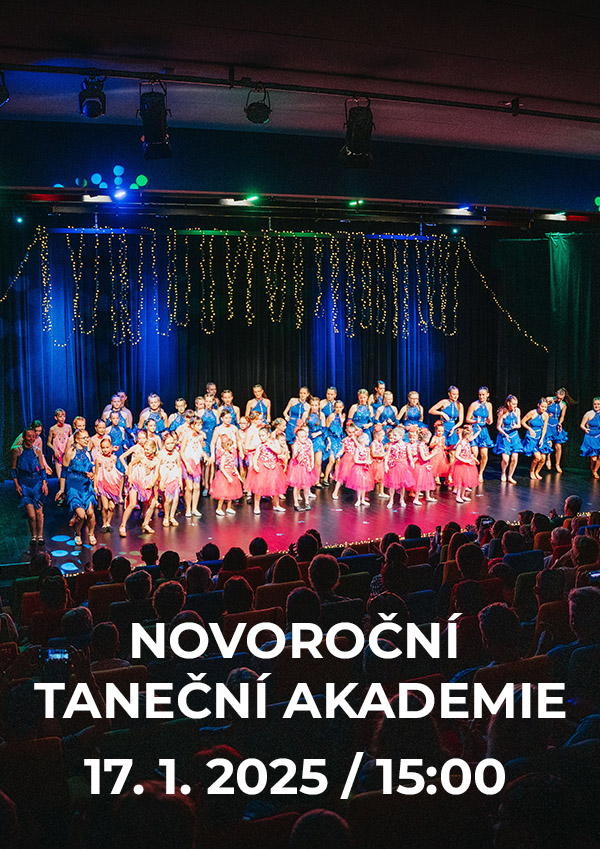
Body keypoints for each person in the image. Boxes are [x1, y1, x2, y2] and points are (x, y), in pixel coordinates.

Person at [57, 429, 96, 546]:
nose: (87, 440)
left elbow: (91, 469)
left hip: (86, 486)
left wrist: (92, 475)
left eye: (87, 437)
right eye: (84, 438)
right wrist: (62, 489)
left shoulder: (87, 453)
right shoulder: (70, 452)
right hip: (73, 486)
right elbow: (64, 472)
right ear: (77, 440)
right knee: (81, 515)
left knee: (90, 512)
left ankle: (91, 534)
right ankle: (78, 533)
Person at [11, 427, 48, 545]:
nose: (31, 439)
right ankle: (33, 536)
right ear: (24, 437)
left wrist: (44, 483)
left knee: (39, 513)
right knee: (31, 515)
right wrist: (17, 485)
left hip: (37, 483)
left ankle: (40, 536)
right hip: (25, 484)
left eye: (33, 436)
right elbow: (13, 469)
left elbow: (42, 469)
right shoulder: (18, 451)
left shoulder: (37, 451)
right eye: (29, 436)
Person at [245, 425, 286, 514]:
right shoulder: (260, 445)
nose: (261, 437)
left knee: (275, 486)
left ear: (268, 435)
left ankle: (276, 505)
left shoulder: (274, 442)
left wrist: (270, 446)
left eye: (263, 435)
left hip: (273, 467)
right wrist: (255, 465)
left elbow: (279, 451)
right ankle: (256, 506)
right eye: (260, 436)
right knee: (259, 487)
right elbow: (256, 456)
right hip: (262, 467)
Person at [94, 436, 123, 532]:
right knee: (105, 507)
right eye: (103, 448)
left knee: (112, 506)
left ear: (110, 447)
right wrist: (95, 486)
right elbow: (96, 473)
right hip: (103, 484)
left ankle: (108, 523)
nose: (105, 450)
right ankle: (104, 523)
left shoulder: (114, 458)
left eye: (107, 447)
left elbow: (114, 471)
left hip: (112, 484)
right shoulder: (99, 459)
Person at [179, 416, 207, 518]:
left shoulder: (200, 436)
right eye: (197, 425)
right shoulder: (187, 436)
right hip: (188, 461)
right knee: (189, 487)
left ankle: (194, 508)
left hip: (196, 462)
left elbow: (199, 448)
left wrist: (204, 455)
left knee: (197, 487)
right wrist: (187, 464)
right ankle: (188, 508)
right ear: (192, 425)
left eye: (200, 425)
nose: (200, 427)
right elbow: (182, 451)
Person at [466, 386, 494, 481]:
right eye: (480, 395)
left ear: (487, 395)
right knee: (474, 453)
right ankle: (472, 472)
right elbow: (467, 419)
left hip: (484, 431)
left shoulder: (489, 405)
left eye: (483, 395)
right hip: (474, 430)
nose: (481, 397)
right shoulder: (474, 405)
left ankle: (480, 473)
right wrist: (475, 421)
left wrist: (489, 421)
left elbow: (490, 420)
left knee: (484, 454)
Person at [428, 385, 464, 462]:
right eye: (453, 394)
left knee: (452, 453)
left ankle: (451, 470)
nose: (455, 396)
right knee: (439, 452)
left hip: (452, 429)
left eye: (457, 394)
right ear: (449, 394)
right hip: (442, 429)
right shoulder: (444, 402)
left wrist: (454, 428)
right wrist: (442, 413)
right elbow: (431, 410)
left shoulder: (459, 405)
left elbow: (461, 421)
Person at [210, 436, 243, 515]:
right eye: (230, 446)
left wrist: (238, 475)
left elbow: (233, 465)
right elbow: (222, 468)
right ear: (225, 447)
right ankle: (219, 508)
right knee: (223, 493)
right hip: (224, 475)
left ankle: (229, 507)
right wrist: (227, 477)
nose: (232, 447)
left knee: (231, 492)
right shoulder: (224, 456)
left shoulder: (231, 455)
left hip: (232, 474)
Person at [494, 395, 523, 484]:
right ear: (508, 403)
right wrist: (505, 434)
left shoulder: (517, 411)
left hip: (514, 436)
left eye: (516, 404)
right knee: (506, 459)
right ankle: (503, 472)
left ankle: (510, 476)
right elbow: (498, 427)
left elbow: (519, 424)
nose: (515, 406)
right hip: (504, 436)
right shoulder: (502, 412)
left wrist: (515, 426)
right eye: (513, 404)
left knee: (514, 458)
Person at [546, 387, 574, 473]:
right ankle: (548, 459)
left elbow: (562, 417)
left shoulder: (563, 405)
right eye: (558, 398)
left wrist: (560, 423)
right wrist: (547, 414)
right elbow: (542, 409)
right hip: (547, 423)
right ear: (556, 394)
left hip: (555, 424)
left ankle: (557, 464)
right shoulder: (549, 399)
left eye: (561, 398)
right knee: (549, 443)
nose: (559, 400)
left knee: (558, 446)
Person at [287, 425, 315, 512]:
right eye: (302, 437)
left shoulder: (308, 442)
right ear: (297, 437)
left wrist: (312, 462)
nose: (304, 438)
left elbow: (311, 452)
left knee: (306, 485)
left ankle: (306, 502)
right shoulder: (296, 444)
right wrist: (297, 452)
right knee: (297, 485)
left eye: (305, 436)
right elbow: (294, 456)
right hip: (298, 466)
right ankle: (296, 503)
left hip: (306, 465)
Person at [157, 433, 183, 527]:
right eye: (168, 443)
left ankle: (172, 516)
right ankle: (166, 517)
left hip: (174, 476)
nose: (170, 445)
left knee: (175, 498)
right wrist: (160, 480)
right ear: (164, 443)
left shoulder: (176, 453)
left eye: (172, 443)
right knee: (168, 499)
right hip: (165, 478)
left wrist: (180, 479)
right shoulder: (160, 454)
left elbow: (179, 466)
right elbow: (158, 467)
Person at [522, 398, 551, 480]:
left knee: (543, 458)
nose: (543, 409)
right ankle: (532, 471)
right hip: (531, 437)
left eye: (545, 407)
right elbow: (522, 422)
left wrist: (542, 439)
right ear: (538, 405)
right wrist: (529, 429)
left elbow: (544, 428)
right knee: (537, 457)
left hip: (540, 437)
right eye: (542, 406)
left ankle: (537, 472)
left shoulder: (546, 415)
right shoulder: (532, 413)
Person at [302, 396, 327, 486]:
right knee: (307, 460)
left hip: (317, 438)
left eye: (316, 405)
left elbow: (324, 429)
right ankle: (306, 480)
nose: (314, 407)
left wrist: (317, 434)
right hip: (307, 438)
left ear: (319, 406)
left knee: (318, 461)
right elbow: (302, 426)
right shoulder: (306, 414)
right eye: (312, 405)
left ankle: (317, 481)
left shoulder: (321, 415)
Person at [451, 425, 480, 503]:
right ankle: (458, 496)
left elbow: (469, 454)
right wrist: (465, 461)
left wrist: (475, 459)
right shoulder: (461, 444)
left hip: (468, 464)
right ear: (467, 436)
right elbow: (456, 455)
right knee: (460, 482)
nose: (471, 438)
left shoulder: (467, 443)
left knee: (466, 481)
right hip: (461, 465)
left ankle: (462, 495)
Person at [331, 422, 359, 499]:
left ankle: (360, 496)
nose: (351, 434)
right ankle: (335, 492)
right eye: (349, 432)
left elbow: (359, 447)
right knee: (342, 476)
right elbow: (342, 450)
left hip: (355, 459)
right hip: (347, 459)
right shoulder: (345, 440)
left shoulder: (357, 439)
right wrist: (338, 454)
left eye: (352, 432)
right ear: (346, 431)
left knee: (357, 477)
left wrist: (354, 439)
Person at [346, 432, 374, 507]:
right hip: (358, 469)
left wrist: (369, 462)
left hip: (365, 469)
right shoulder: (358, 449)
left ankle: (363, 499)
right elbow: (356, 460)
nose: (369, 440)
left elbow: (368, 458)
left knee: (364, 484)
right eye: (367, 439)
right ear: (362, 441)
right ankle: (358, 500)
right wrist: (365, 462)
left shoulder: (367, 449)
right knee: (359, 485)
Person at [200, 394, 219, 495]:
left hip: (213, 437)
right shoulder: (200, 412)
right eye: (206, 401)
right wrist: (201, 434)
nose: (208, 403)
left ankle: (212, 484)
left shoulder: (216, 412)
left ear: (213, 402)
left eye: (210, 401)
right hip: (205, 438)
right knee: (207, 463)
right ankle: (206, 486)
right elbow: (196, 425)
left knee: (213, 463)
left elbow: (218, 425)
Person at [323, 399, 345, 485]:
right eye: (337, 407)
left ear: (342, 408)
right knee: (331, 460)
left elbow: (340, 430)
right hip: (331, 439)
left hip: (338, 440)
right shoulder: (331, 416)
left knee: (338, 460)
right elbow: (326, 430)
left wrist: (342, 423)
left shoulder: (341, 416)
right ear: (334, 408)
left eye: (340, 407)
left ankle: (336, 478)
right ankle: (325, 478)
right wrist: (328, 442)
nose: (338, 409)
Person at [413, 429, 437, 505]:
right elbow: (424, 458)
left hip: (426, 466)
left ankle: (428, 496)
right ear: (425, 438)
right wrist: (433, 454)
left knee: (427, 481)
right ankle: (416, 499)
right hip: (421, 466)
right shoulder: (420, 446)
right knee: (419, 483)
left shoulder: (424, 446)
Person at [47, 408, 72, 480]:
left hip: (67, 453)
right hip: (58, 455)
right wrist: (55, 449)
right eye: (60, 416)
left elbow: (72, 439)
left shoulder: (68, 427)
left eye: (64, 416)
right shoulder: (53, 429)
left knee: (68, 476)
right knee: (60, 477)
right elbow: (48, 443)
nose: (62, 418)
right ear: (56, 417)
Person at [580, 396, 600, 478]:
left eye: (598, 404)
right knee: (594, 458)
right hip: (591, 437)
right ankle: (592, 468)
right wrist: (585, 429)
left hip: (599, 436)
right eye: (595, 404)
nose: (597, 406)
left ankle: (595, 471)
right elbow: (582, 425)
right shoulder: (588, 414)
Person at [428, 420, 450, 484]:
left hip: (441, 453)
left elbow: (443, 446)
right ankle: (436, 478)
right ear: (436, 431)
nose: (440, 433)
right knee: (436, 466)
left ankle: (446, 479)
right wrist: (435, 443)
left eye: (442, 431)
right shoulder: (435, 437)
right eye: (439, 431)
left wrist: (447, 448)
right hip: (435, 454)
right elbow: (430, 445)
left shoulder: (443, 437)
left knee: (443, 466)